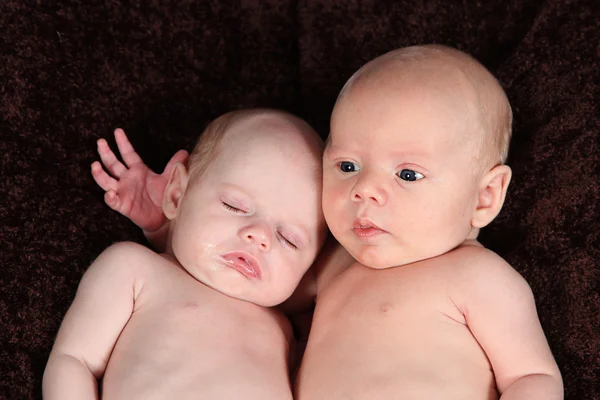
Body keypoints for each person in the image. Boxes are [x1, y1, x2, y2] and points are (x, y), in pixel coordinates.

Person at [87, 45, 563, 399]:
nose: (363, 190)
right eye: (348, 166)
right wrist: (167, 224)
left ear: (484, 198)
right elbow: (236, 277)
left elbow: (532, 377)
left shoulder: (481, 278)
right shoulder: (329, 267)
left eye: (408, 174)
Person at [42, 109, 327, 400]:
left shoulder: (290, 329)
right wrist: (167, 227)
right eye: (235, 206)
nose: (261, 237)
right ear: (177, 193)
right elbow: (74, 360)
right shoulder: (136, 269)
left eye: (289, 239)